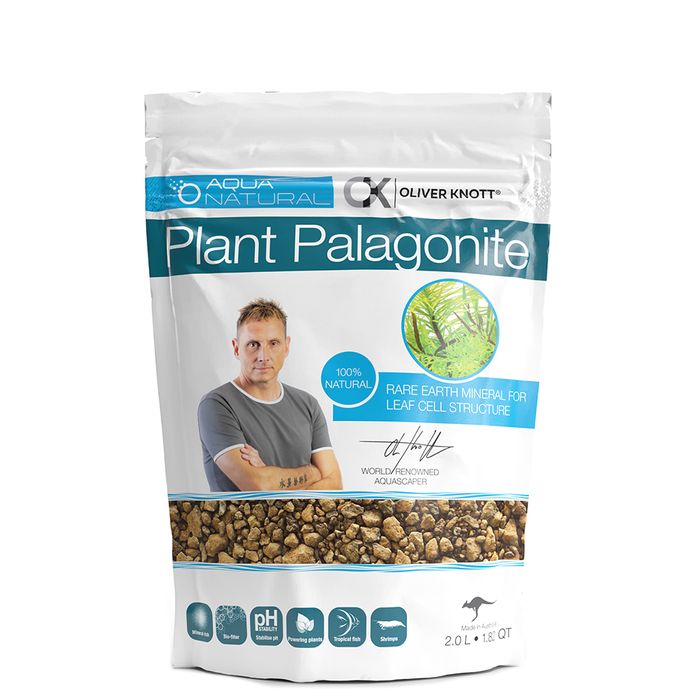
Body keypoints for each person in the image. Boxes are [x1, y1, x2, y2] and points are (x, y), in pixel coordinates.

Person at [198, 298, 343, 492]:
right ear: (236, 348)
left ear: (286, 346)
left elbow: (335, 485)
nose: (263, 356)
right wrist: (313, 473)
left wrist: (268, 473)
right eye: (253, 344)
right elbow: (258, 485)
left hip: (308, 515)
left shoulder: (308, 405)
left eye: (273, 343)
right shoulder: (217, 404)